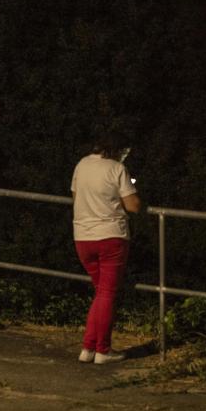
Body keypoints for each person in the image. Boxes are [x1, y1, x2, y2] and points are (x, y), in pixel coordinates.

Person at [71, 134, 142, 364]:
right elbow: (133, 206)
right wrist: (133, 187)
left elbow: (75, 195)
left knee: (100, 293)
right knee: (107, 294)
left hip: (82, 237)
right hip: (111, 236)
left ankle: (88, 348)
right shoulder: (116, 168)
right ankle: (103, 350)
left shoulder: (81, 164)